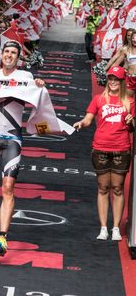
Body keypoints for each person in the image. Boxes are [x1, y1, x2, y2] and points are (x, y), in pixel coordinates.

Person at [0, 40, 45, 256]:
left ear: (18, 57)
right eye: (7, 52)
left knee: (8, 187)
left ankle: (3, 236)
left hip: (13, 137)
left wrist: (38, 86)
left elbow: (35, 97)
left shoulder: (24, 77)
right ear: (1, 55)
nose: (9, 55)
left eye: (14, 52)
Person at [73, 66, 135, 241]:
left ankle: (115, 227)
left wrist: (131, 122)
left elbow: (132, 127)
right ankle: (103, 228)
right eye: (111, 79)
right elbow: (88, 119)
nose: (113, 82)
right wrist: (81, 123)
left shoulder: (129, 102)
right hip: (100, 147)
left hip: (121, 148)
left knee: (117, 188)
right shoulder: (98, 99)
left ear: (123, 82)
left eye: (117, 79)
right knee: (102, 188)